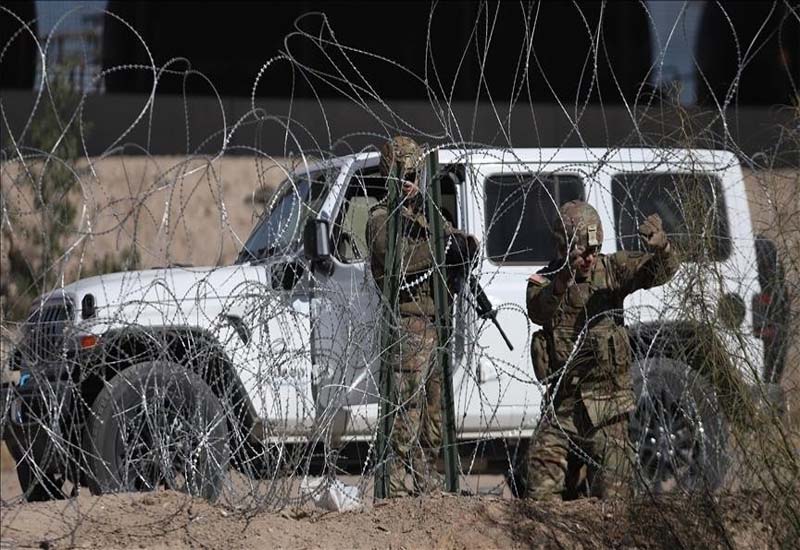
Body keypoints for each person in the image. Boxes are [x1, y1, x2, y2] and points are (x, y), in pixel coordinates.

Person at [525, 200, 679, 500]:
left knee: (615, 501)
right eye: (583, 252)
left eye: (595, 250)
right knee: (540, 495)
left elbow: (659, 272)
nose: (590, 258)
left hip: (608, 407)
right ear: (563, 248)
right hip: (563, 406)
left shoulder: (612, 270)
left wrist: (663, 248)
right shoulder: (543, 282)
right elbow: (538, 311)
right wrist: (563, 281)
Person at [366, 136, 477, 497]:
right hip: (409, 325)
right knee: (404, 412)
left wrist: (464, 245)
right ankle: (395, 490)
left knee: (434, 418)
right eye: (405, 175)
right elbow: (399, 262)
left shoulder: (428, 216)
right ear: (390, 176)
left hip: (436, 325)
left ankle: (431, 487)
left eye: (416, 174)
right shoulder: (381, 219)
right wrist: (443, 247)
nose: (411, 182)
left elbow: (456, 243)